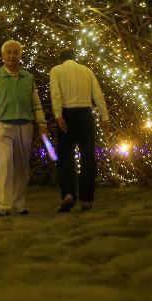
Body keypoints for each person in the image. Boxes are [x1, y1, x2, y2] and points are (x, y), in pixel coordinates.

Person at [0, 40, 48, 216]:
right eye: (9, 52)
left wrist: (42, 122)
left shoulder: (28, 77)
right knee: (5, 164)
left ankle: (19, 204)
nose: (12, 56)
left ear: (20, 55)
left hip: (24, 124)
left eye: (15, 52)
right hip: (2, 125)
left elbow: (36, 103)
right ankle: (2, 205)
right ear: (3, 55)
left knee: (21, 165)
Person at [49, 50, 109, 212]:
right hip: (85, 115)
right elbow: (97, 94)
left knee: (66, 157)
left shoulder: (56, 71)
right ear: (75, 59)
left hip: (67, 114)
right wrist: (104, 117)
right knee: (88, 156)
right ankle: (87, 199)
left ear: (61, 59)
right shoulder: (87, 70)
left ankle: (68, 193)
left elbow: (56, 95)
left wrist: (58, 115)